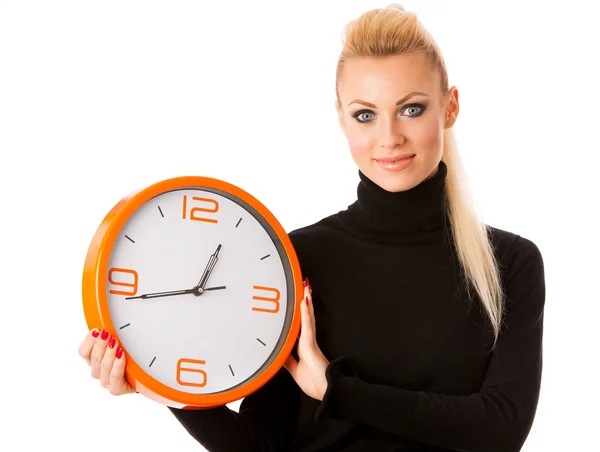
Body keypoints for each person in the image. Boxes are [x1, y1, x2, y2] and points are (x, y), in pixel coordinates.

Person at [78, 4, 546, 451]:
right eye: (366, 114)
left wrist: (339, 391)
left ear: (450, 108)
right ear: (342, 119)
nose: (389, 137)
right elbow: (261, 444)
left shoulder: (509, 264)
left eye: (411, 108)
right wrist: (165, 389)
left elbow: (501, 429)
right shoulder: (296, 258)